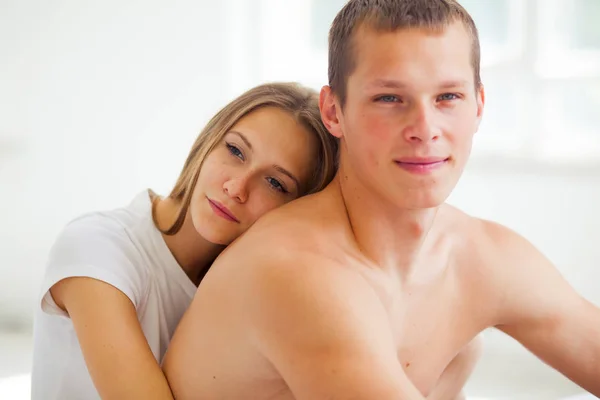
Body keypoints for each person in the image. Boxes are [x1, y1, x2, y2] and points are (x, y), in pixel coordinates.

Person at [161, 0, 600, 399]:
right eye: (390, 98)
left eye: (448, 97)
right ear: (334, 112)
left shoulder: (483, 256)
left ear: (479, 106)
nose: (425, 128)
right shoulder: (294, 273)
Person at [30, 82, 339, 400]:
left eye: (275, 182)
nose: (236, 187)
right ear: (208, 141)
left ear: (298, 208)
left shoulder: (247, 290)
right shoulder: (98, 247)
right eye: (235, 151)